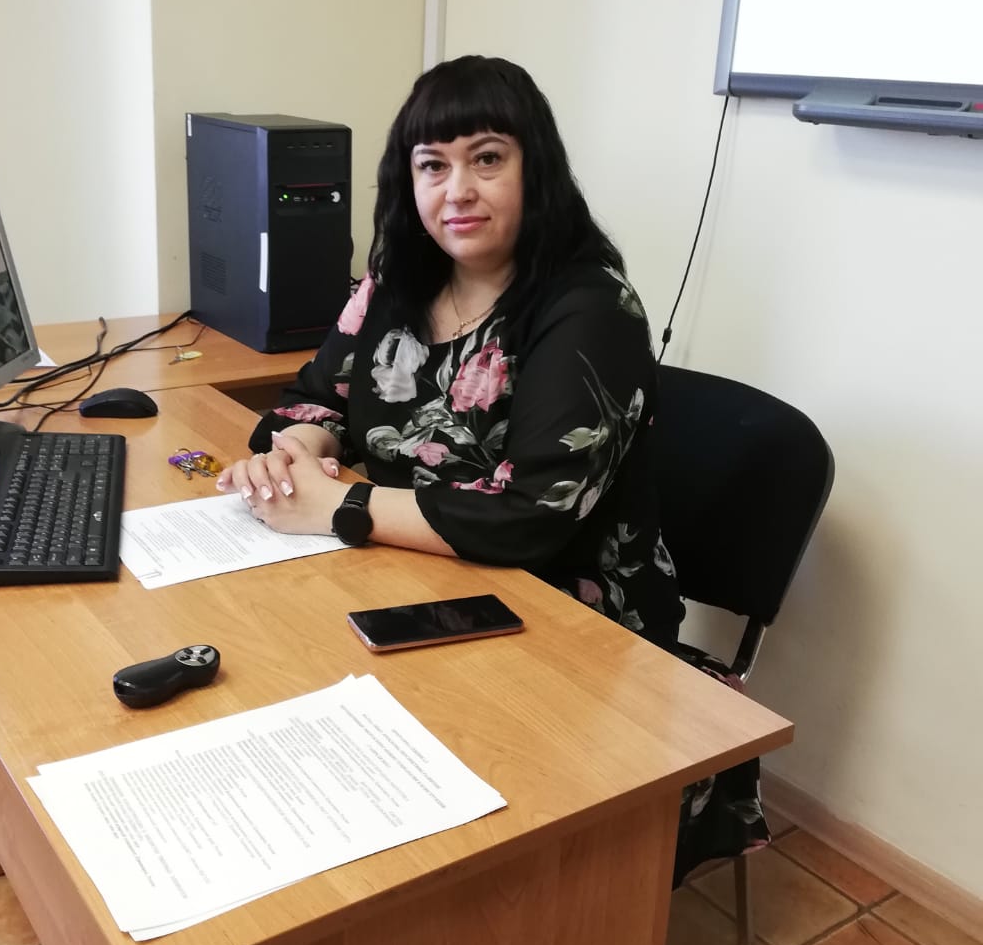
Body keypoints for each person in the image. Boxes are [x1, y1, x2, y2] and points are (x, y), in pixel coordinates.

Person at [218, 55, 769, 880]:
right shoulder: (394, 284)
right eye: (433, 166)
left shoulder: (589, 307)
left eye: (486, 158)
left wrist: (339, 507)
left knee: (397, 781)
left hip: (573, 619)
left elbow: (529, 514)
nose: (458, 191)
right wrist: (301, 451)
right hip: (423, 575)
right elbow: (314, 396)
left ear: (533, 167)